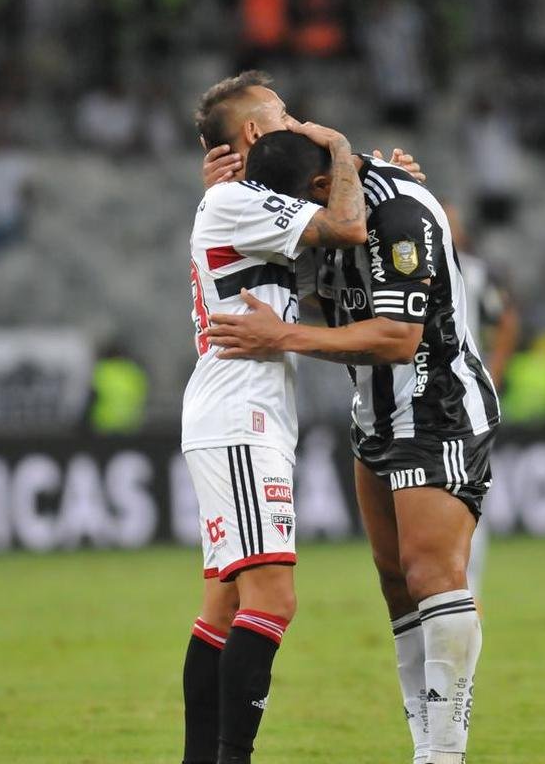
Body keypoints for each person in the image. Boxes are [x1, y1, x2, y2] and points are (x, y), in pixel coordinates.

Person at [207, 135, 500, 764]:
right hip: (373, 415)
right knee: (396, 583)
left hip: (436, 407)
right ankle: (424, 742)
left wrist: (281, 336)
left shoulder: (401, 213)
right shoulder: (331, 205)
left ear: (320, 189)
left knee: (431, 576)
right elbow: (318, 292)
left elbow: (398, 337)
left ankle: (443, 756)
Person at [181, 70, 423, 764]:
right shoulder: (234, 199)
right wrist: (346, 153)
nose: (297, 123)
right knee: (273, 601)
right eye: (283, 114)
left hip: (238, 409)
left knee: (223, 611)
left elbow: (342, 229)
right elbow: (345, 226)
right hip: (239, 413)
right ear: (255, 132)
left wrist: (387, 185)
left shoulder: (237, 203)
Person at [445, 202, 519, 598]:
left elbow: (506, 318)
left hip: (463, 399)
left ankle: (469, 588)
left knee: (471, 489)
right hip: (421, 399)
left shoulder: (473, 272)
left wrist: (494, 373)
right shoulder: (402, 267)